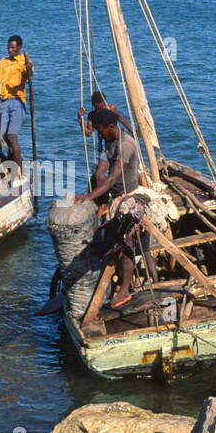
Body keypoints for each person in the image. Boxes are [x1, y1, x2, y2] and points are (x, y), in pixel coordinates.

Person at [74, 109, 144, 308]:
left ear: (111, 127)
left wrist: (89, 196)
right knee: (111, 241)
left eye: (100, 130)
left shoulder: (126, 145)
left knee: (126, 242)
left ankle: (125, 290)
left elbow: (112, 177)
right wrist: (98, 199)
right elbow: (101, 172)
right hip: (113, 196)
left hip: (129, 196)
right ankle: (124, 281)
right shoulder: (109, 141)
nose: (99, 134)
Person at [77, 91, 133, 189]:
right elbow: (89, 133)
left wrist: (132, 130)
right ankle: (101, 199)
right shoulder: (92, 115)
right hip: (106, 147)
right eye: (98, 106)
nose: (101, 108)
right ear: (94, 104)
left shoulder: (111, 108)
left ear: (104, 101)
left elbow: (121, 119)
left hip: (120, 143)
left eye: (102, 105)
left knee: (124, 172)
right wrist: (80, 119)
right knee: (99, 175)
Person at [0, 34, 33, 167]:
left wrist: (28, 69)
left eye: (13, 48)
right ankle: (11, 164)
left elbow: (29, 76)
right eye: (8, 48)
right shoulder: (3, 62)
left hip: (17, 102)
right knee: (4, 137)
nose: (10, 50)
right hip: (4, 103)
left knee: (12, 136)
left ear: (19, 47)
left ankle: (19, 169)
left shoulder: (23, 62)